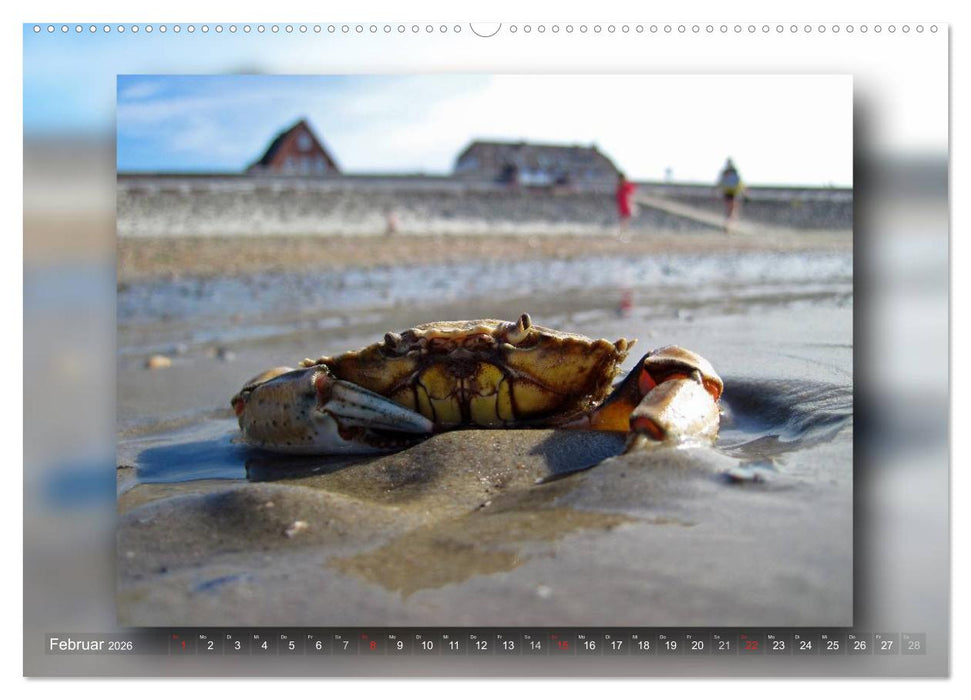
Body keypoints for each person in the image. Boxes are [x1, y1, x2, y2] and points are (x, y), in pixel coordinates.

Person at [718, 158, 745, 232]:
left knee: (729, 209)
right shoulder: (734, 172)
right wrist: (744, 193)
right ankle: (731, 225)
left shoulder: (725, 172)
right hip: (733, 193)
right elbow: (740, 183)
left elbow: (720, 182)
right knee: (733, 209)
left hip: (727, 192)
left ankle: (728, 224)